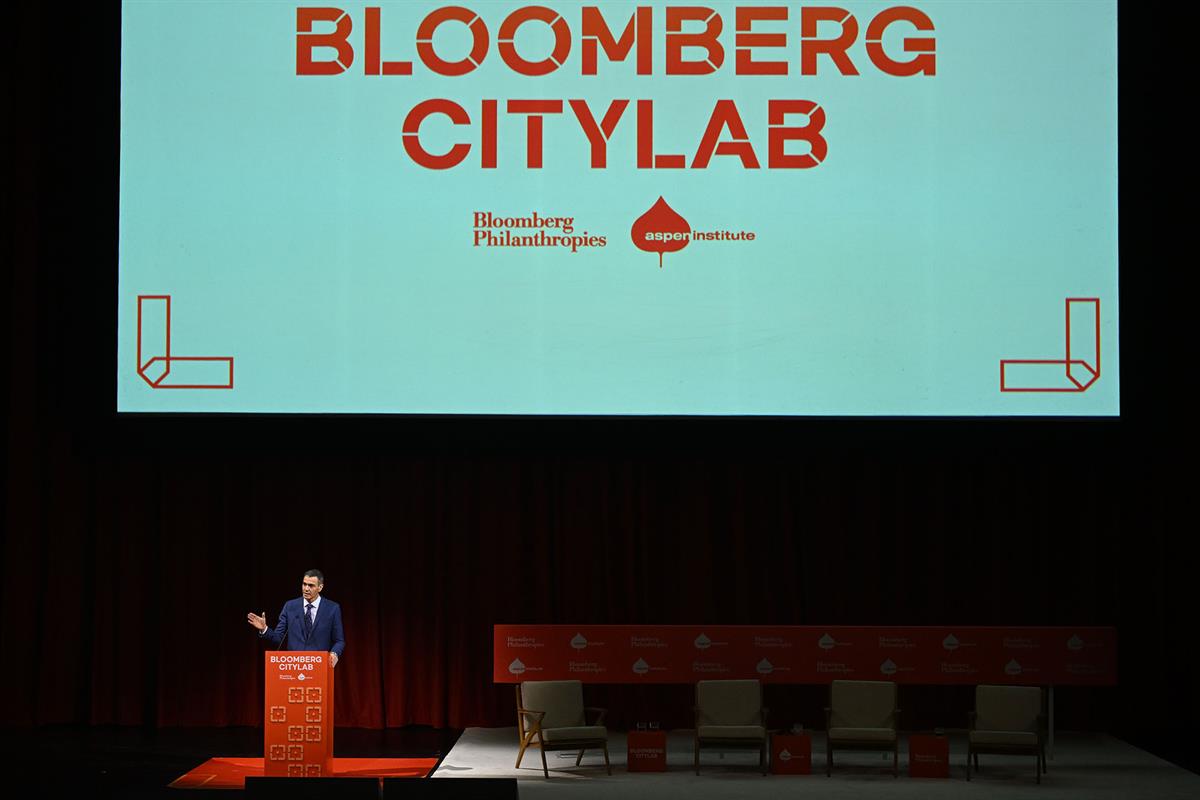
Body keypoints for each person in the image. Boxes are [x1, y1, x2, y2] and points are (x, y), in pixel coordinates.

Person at [247, 569, 345, 667]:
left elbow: (339, 640)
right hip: (294, 668)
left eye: (311, 585)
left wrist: (334, 653)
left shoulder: (332, 608)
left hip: (320, 668)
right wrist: (264, 629)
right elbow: (278, 638)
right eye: (304, 584)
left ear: (320, 587)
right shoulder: (290, 606)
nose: (306, 589)